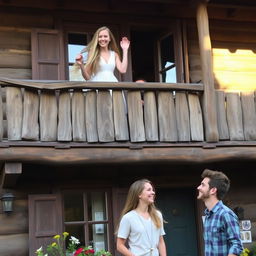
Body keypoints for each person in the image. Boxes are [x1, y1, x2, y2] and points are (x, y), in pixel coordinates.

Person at [197, 169, 243, 256]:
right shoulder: (208, 215)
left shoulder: (226, 214)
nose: (198, 187)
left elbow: (237, 246)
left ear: (213, 190)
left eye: (203, 185)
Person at [116, 179, 167, 256]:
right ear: (139, 194)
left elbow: (160, 241)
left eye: (153, 190)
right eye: (149, 190)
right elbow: (119, 245)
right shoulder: (128, 218)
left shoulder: (157, 215)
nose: (153, 192)